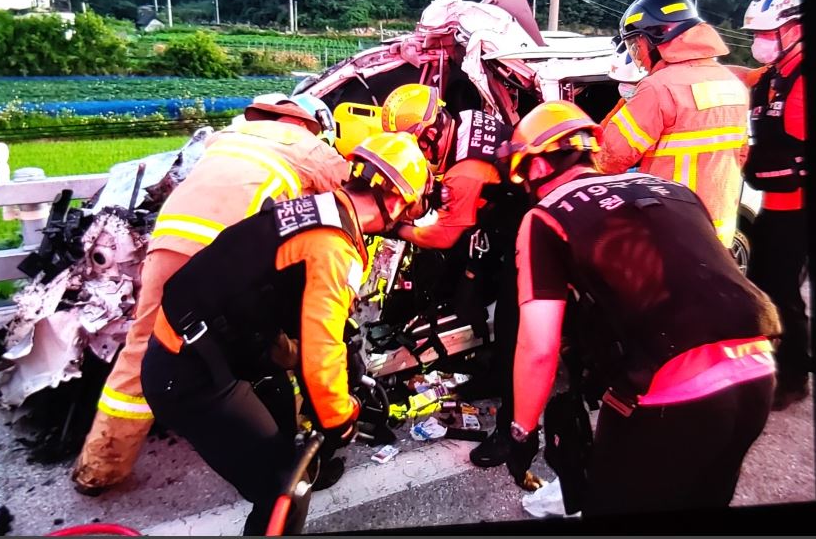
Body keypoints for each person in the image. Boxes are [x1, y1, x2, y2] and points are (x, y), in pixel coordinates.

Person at [140, 132, 431, 535]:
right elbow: (320, 352)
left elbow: (284, 296)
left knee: (284, 411)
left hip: (221, 343)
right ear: (398, 201)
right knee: (285, 489)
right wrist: (339, 419)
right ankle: (286, 489)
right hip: (190, 373)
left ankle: (308, 464)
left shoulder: (318, 207)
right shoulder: (333, 248)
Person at [503, 100, 781, 516]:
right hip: (758, 373)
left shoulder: (544, 217)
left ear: (538, 166)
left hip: (672, 396)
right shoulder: (673, 190)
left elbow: (537, 349)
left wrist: (521, 433)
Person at [72, 95, 350, 495]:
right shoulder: (309, 148)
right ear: (310, 125)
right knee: (270, 346)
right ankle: (288, 453)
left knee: (143, 345)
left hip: (168, 241)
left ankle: (99, 468)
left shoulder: (230, 136)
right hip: (219, 254)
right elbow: (345, 199)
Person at [379, 83, 528, 468]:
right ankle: (493, 373)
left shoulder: (464, 171)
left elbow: (443, 235)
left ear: (429, 134)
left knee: (515, 330)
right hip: (503, 220)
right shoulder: (465, 121)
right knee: (465, 289)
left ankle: (514, 430)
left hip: (527, 235)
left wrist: (395, 229)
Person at [597, 0, 750, 248]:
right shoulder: (731, 83)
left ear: (656, 38)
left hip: (672, 228)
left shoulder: (659, 87)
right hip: (719, 231)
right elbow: (741, 154)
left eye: (636, 45)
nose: (637, 56)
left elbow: (610, 157)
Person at [739, 0, 810, 410]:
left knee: (783, 291)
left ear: (794, 29)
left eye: (767, 34)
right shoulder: (774, 75)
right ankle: (771, 364)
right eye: (757, 35)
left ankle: (794, 378)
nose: (759, 43)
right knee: (764, 283)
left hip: (798, 207)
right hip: (774, 203)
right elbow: (741, 78)